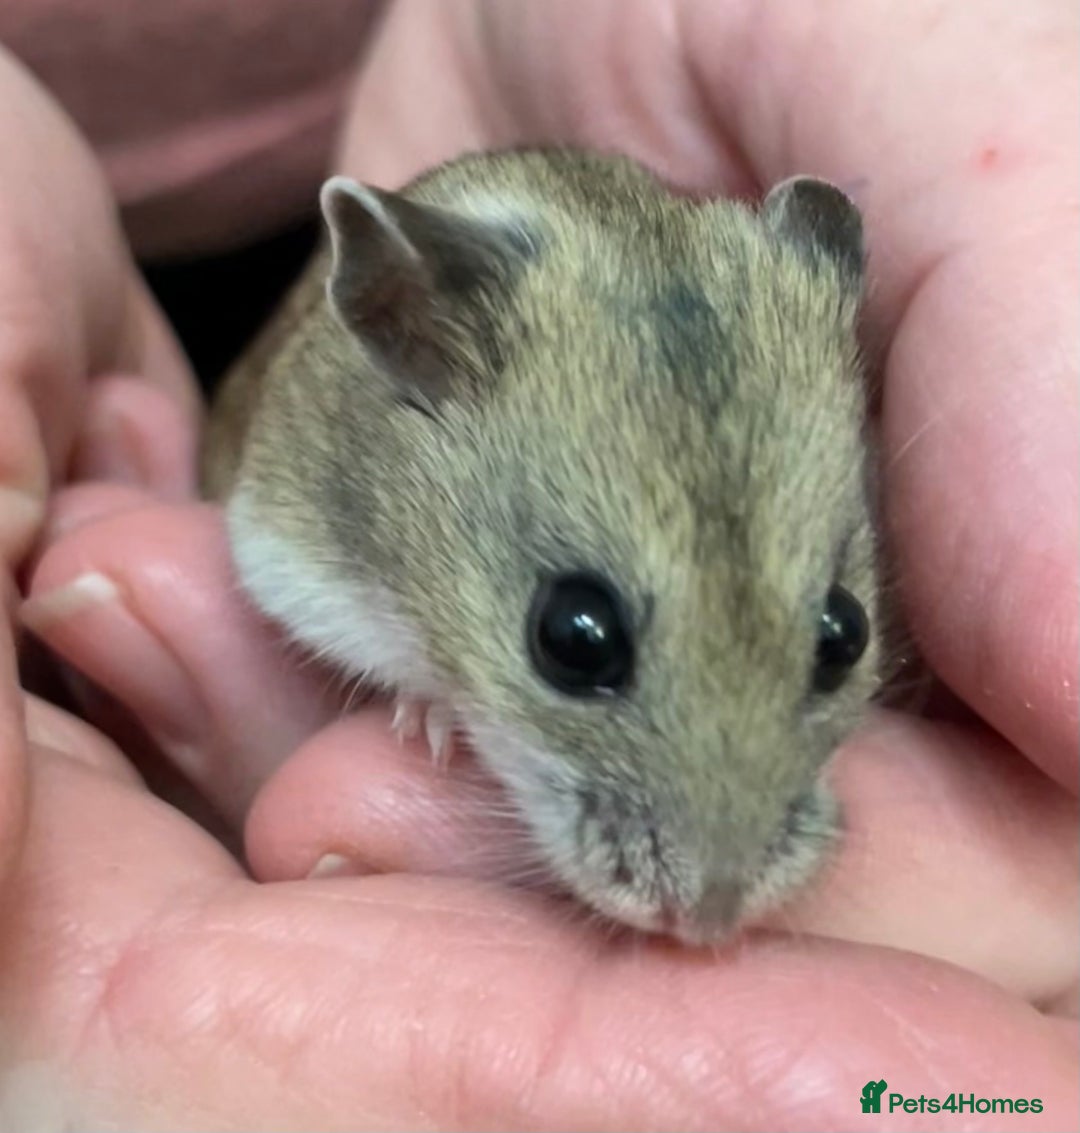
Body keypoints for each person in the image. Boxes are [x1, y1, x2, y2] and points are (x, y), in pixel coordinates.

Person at [1, 0, 1077, 1127]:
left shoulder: (796, 373)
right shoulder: (379, 420)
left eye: (827, 643)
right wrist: (428, 671)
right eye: (583, 640)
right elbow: (266, 540)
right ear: (400, 319)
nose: (712, 887)